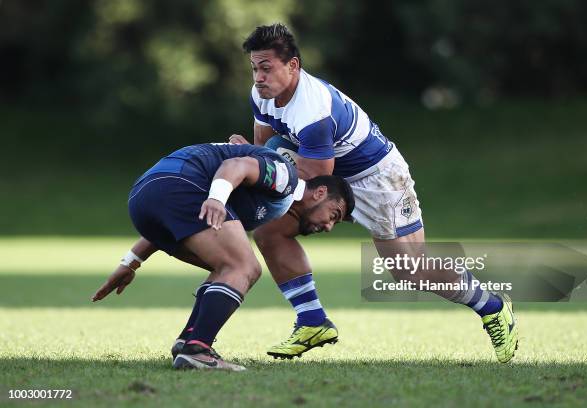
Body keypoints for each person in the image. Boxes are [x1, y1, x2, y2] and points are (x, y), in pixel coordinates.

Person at [229, 23, 518, 363]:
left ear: (293, 66)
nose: (259, 77)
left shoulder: (313, 113)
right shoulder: (262, 95)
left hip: (377, 180)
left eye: (267, 68)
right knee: (268, 230)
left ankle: (492, 306)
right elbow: (265, 147)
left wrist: (255, 167)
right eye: (254, 68)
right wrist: (253, 156)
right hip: (327, 175)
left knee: (409, 269)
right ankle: (312, 321)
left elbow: (318, 187)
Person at [91, 142, 355, 371]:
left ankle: (188, 341)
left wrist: (131, 262)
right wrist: (217, 199)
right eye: (333, 214)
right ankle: (198, 351)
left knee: (226, 266)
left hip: (144, 196)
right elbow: (237, 164)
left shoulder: (269, 201)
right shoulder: (288, 179)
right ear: (319, 193)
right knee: (244, 267)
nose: (329, 227)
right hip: (178, 186)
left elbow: (177, 213)